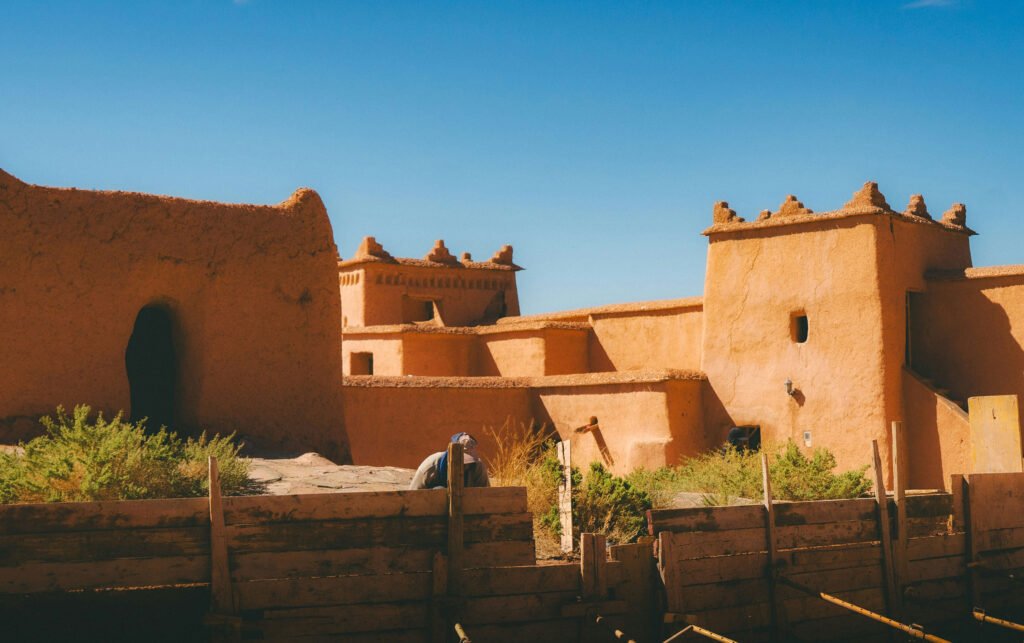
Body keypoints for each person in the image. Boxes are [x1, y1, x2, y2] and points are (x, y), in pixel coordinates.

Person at [410, 432, 490, 490]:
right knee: (439, 490)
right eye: (462, 461)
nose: (466, 465)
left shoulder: (478, 468)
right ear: (451, 454)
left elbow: (486, 498)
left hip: (467, 505)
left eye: (469, 461)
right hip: (431, 505)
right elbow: (411, 498)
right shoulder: (430, 467)